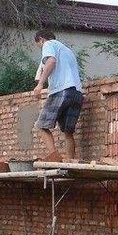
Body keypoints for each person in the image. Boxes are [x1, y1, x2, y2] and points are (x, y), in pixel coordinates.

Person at [31, 30, 84, 161]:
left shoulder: (48, 44)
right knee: (68, 132)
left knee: (41, 126)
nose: (41, 48)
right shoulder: (67, 51)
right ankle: (70, 163)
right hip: (76, 93)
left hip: (61, 91)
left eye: (39, 45)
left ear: (41, 39)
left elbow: (51, 61)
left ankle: (55, 157)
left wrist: (40, 85)